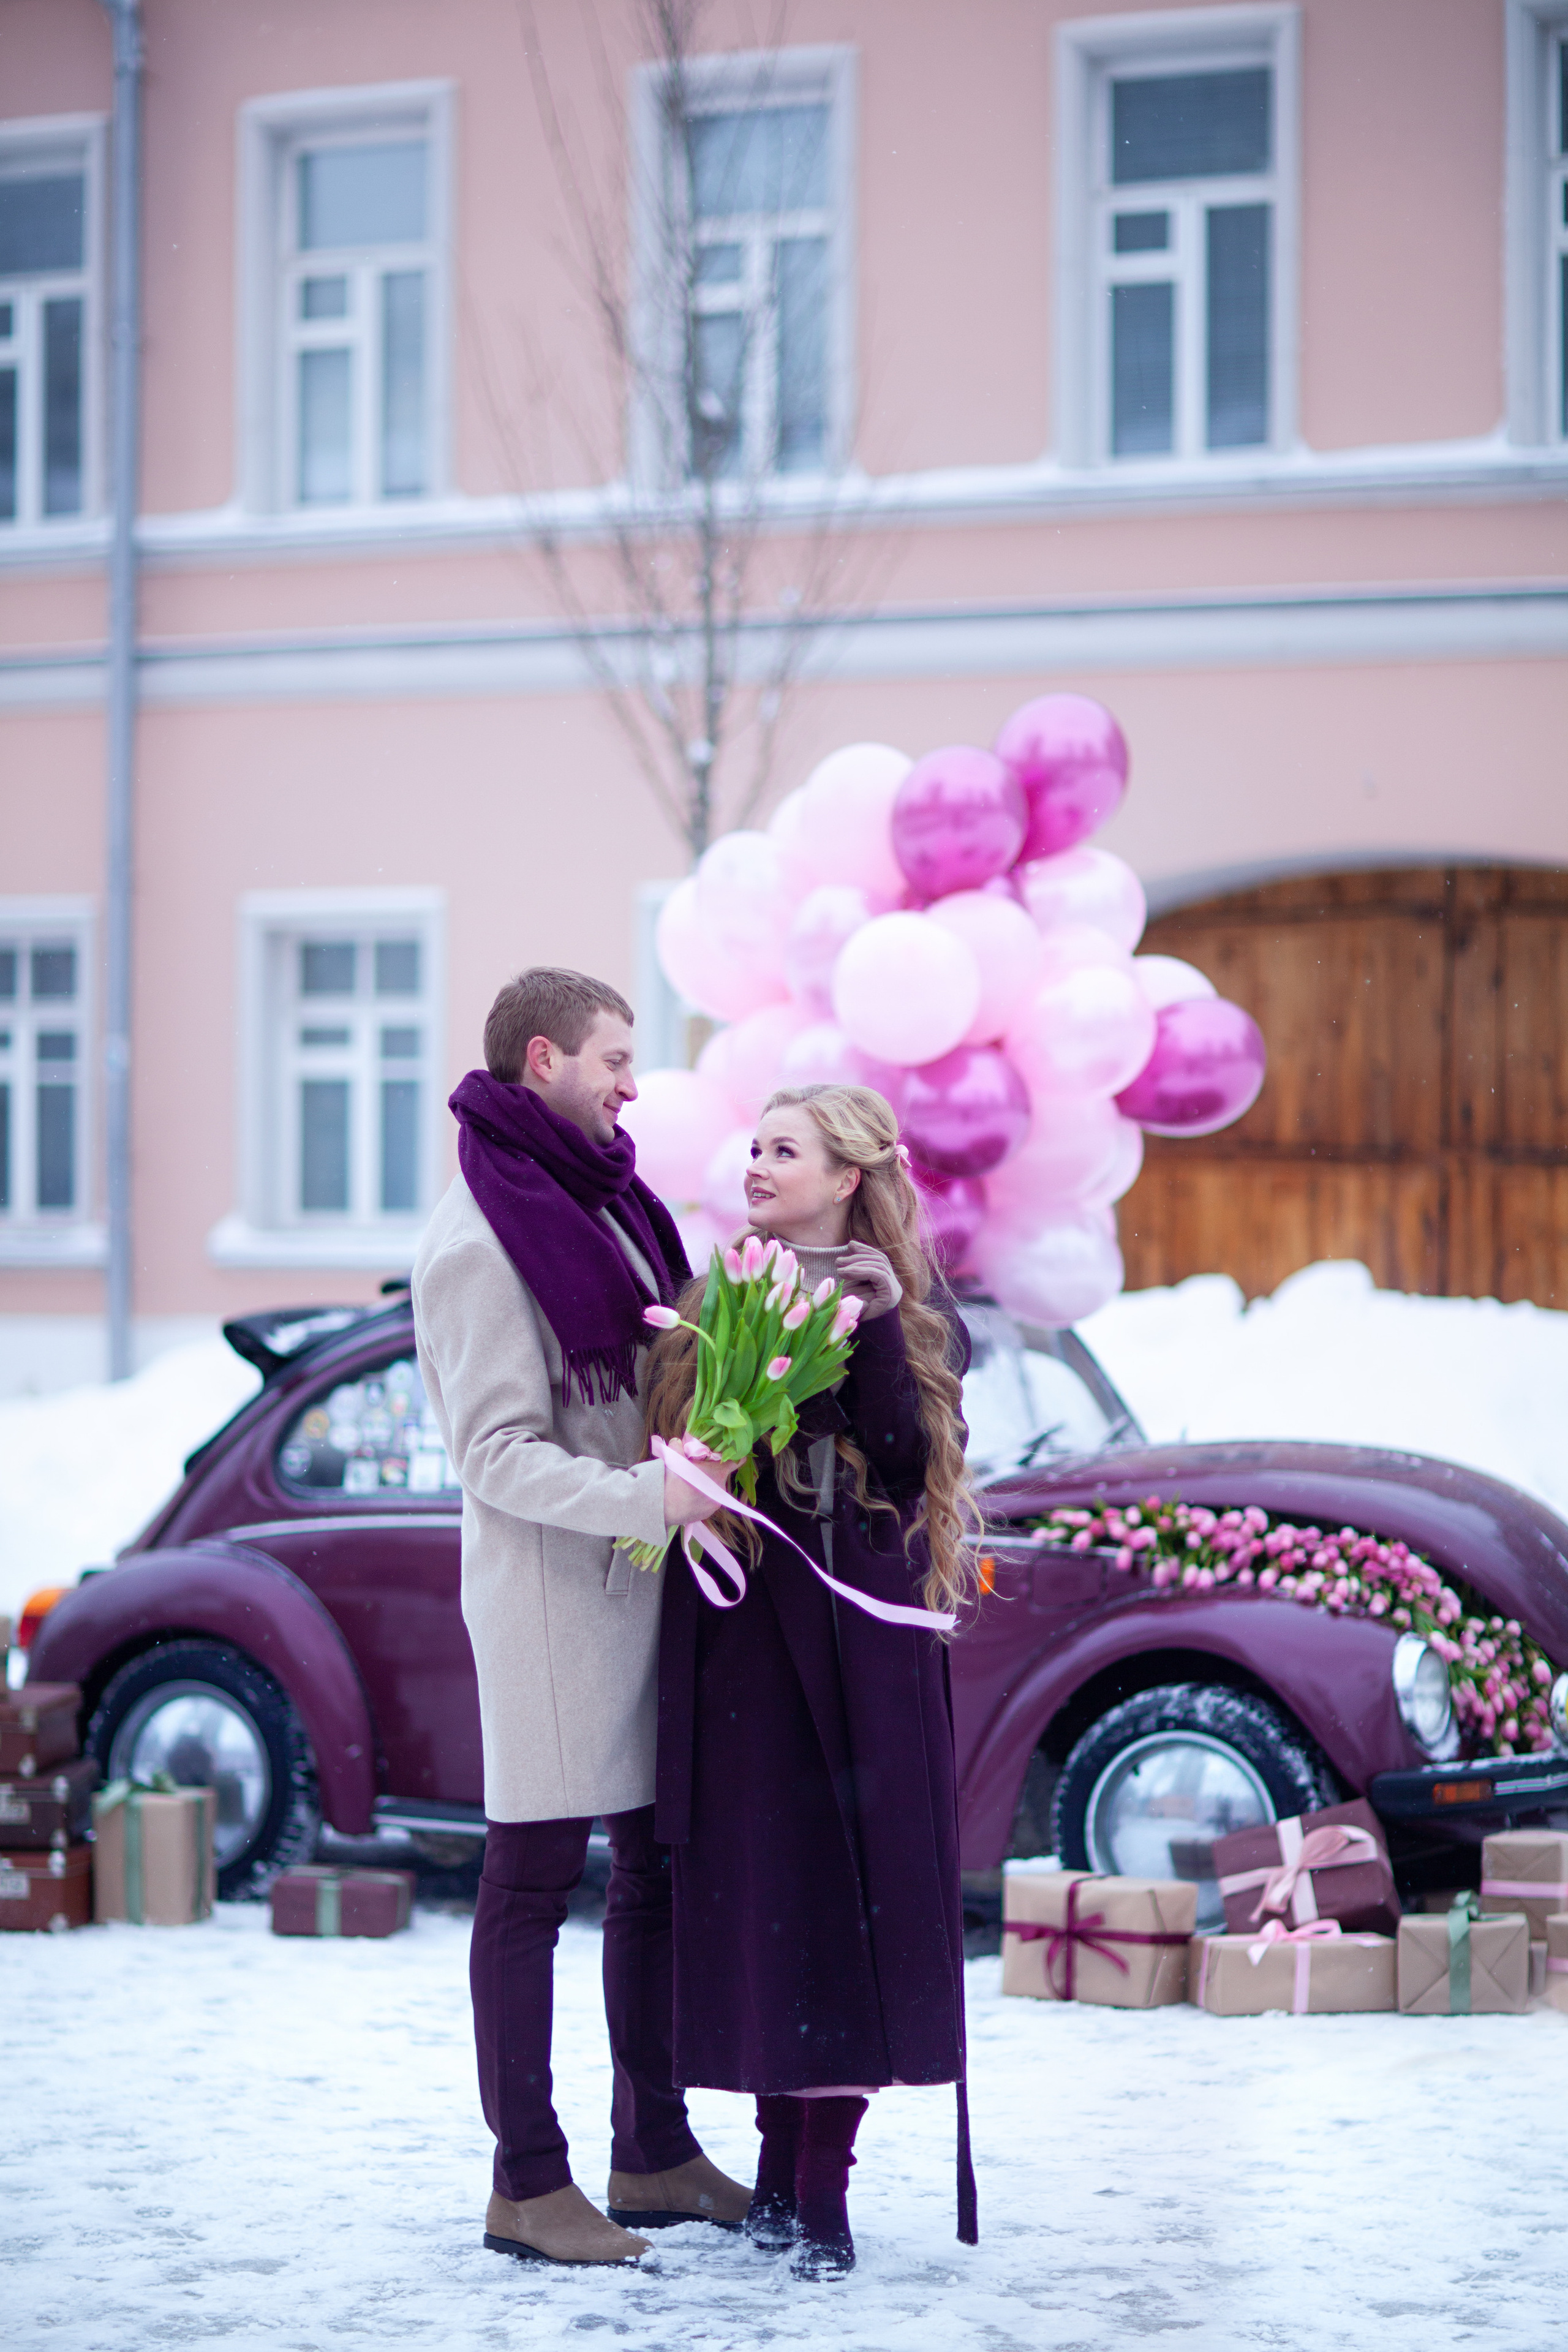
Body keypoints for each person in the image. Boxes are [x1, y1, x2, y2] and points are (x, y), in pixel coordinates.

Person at [410, 967, 748, 2269]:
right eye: (613, 1058)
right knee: (530, 1885)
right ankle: (526, 2182)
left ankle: (649, 2149)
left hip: (636, 1583)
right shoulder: (478, 1240)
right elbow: (490, 1452)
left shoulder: (601, 1202)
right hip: (554, 1604)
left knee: (652, 1870)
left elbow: (647, 1363)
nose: (632, 1082)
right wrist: (646, 1491)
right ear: (542, 1058)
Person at [645, 1082, 980, 2282]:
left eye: (782, 1150)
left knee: (843, 1908)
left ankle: (818, 2186)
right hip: (740, 1645)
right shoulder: (716, 1292)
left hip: (853, 1648)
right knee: (760, 1905)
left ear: (844, 1178)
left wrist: (875, 1328)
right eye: (753, 1145)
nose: (755, 1164)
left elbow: (901, 1454)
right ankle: (774, 2165)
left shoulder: (901, 1305)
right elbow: (679, 1442)